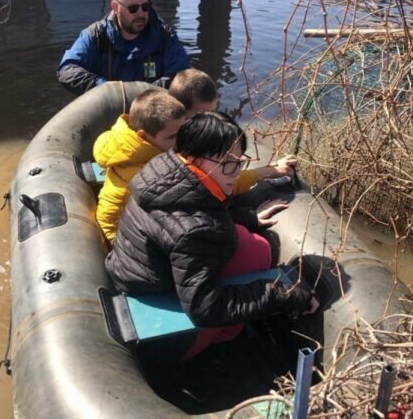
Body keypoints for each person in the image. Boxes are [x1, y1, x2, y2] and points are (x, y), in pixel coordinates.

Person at [105, 112, 319, 360]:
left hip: (136, 277)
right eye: (228, 164)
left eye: (238, 162)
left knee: (242, 238)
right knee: (256, 251)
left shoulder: (165, 168)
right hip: (169, 339)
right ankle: (223, 339)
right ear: (195, 159)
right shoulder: (196, 232)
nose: (237, 172)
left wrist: (249, 218)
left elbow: (190, 215)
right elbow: (205, 308)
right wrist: (286, 293)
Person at [168, 68, 300, 193]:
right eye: (201, 115)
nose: (210, 121)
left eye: (212, 111)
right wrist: (268, 172)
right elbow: (217, 183)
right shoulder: (172, 149)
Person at [57, 0, 190, 95]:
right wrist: (107, 88)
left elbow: (181, 72)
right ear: (116, 7)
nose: (140, 14)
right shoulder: (96, 35)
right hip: (110, 107)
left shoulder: (164, 36)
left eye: (145, 7)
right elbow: (67, 70)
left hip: (150, 109)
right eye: (133, 9)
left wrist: (142, 95)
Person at [94, 89, 186, 245]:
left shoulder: (144, 150)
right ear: (143, 136)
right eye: (172, 137)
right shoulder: (136, 177)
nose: (182, 140)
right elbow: (109, 219)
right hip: (126, 240)